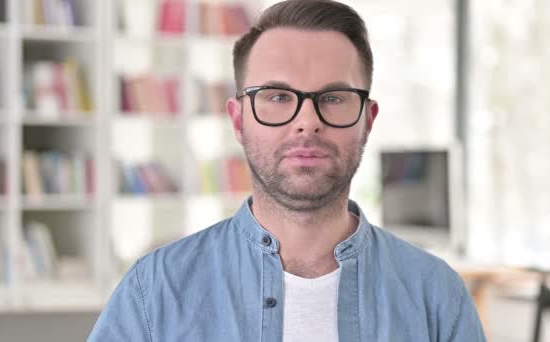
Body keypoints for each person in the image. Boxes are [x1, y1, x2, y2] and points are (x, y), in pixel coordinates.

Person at [89, 0, 486, 341]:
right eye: (278, 96)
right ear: (239, 120)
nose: (307, 121)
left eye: (333, 97)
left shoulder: (437, 295)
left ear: (367, 119)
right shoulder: (154, 290)